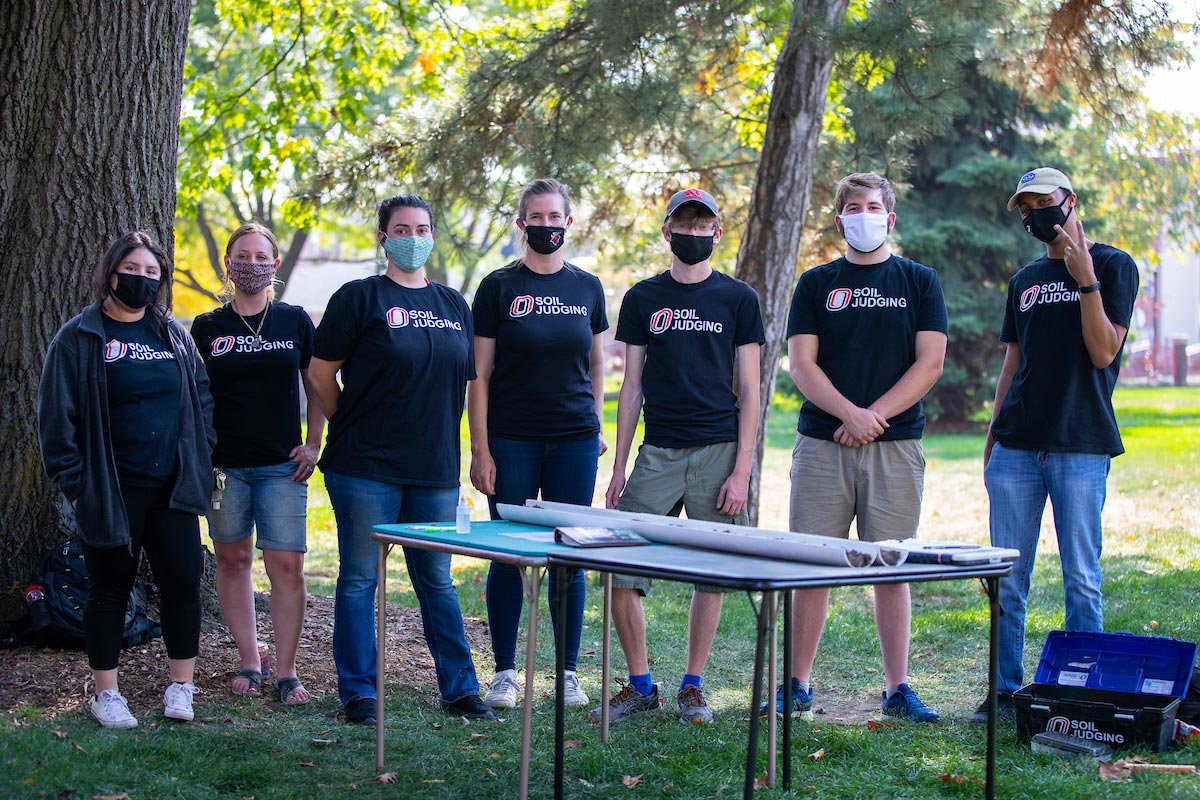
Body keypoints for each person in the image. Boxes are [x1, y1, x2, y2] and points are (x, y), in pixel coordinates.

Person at [308, 194, 494, 725]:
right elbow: (320, 376)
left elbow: (467, 381)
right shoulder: (360, 298)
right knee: (360, 578)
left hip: (433, 467)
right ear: (383, 238)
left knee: (435, 580)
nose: (413, 237)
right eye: (401, 228)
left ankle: (460, 688)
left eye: (422, 227)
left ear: (432, 234)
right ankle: (359, 692)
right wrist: (348, 421)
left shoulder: (454, 304)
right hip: (364, 465)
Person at [969, 167, 1139, 722]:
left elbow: (1103, 352)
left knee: (1081, 579)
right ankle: (1002, 692)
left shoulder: (1114, 266)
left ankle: (1081, 696)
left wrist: (1084, 276)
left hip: (1079, 445)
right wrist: (994, 433)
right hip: (1018, 447)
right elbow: (1012, 364)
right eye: (1026, 206)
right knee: (1007, 581)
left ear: (1071, 201)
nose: (1033, 213)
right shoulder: (1024, 281)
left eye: (1043, 201)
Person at [591, 187, 765, 725]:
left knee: (709, 574)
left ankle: (693, 686)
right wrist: (620, 466)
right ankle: (641, 684)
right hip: (659, 451)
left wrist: (742, 469)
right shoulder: (643, 297)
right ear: (667, 232)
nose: (693, 234)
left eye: (703, 226)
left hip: (718, 450)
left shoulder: (738, 299)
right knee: (621, 565)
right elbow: (633, 385)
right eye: (683, 226)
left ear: (717, 232)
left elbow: (752, 389)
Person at [779, 172, 947, 723]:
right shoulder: (816, 283)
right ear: (840, 219)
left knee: (891, 566)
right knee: (814, 567)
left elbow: (930, 364)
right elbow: (802, 363)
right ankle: (796, 685)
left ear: (890, 218)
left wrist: (873, 417)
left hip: (895, 446)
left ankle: (898, 689)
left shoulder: (919, 281)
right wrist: (848, 414)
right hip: (822, 444)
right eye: (854, 206)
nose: (864, 214)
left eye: (874, 206)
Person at [38, 231, 216, 728]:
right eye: (132, 271)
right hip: (110, 491)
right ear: (110, 273)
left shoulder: (172, 336)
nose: (141, 280)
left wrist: (201, 455)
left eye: (151, 273)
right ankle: (106, 693)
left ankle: (182, 686)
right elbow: (56, 419)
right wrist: (76, 486)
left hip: (174, 489)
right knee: (110, 589)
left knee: (182, 583)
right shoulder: (80, 336)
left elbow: (200, 398)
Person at [468, 178, 608, 709]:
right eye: (536, 217)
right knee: (507, 554)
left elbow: (597, 362)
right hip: (512, 439)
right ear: (520, 223)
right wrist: (481, 450)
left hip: (573, 439)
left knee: (568, 556)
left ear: (568, 223)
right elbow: (477, 375)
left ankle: (567, 672)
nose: (546, 226)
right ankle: (504, 671)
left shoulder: (588, 287)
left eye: (556, 217)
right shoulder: (497, 287)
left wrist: (594, 424)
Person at [190, 222, 325, 706]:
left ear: (274, 264)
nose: (251, 264)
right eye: (241, 256)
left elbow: (316, 383)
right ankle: (251, 659)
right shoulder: (207, 327)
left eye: (260, 256)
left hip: (281, 467)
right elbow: (195, 396)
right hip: (224, 467)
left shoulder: (293, 321)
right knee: (232, 560)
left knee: (285, 566)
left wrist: (314, 442)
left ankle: (287, 671)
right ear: (228, 264)